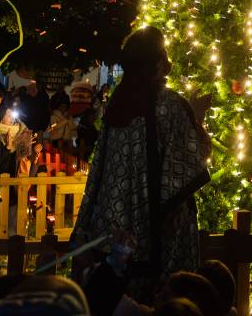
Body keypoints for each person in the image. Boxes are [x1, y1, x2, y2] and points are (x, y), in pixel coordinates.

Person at [70, 26, 211, 300]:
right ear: (157, 62)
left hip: (112, 224)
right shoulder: (168, 104)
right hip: (160, 231)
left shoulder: (117, 102)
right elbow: (194, 156)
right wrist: (196, 117)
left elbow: (100, 167)